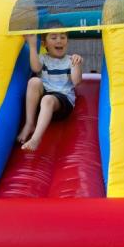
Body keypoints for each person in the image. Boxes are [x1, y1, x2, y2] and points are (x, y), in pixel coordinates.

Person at [17, 22, 83, 151]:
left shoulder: (70, 60)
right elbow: (35, 68)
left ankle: (36, 138)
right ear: (44, 44)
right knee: (33, 82)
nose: (59, 41)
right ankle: (29, 123)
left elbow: (77, 81)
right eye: (53, 38)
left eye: (63, 37)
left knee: (47, 99)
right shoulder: (42, 59)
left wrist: (77, 64)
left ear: (67, 42)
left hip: (62, 101)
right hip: (43, 98)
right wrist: (31, 45)